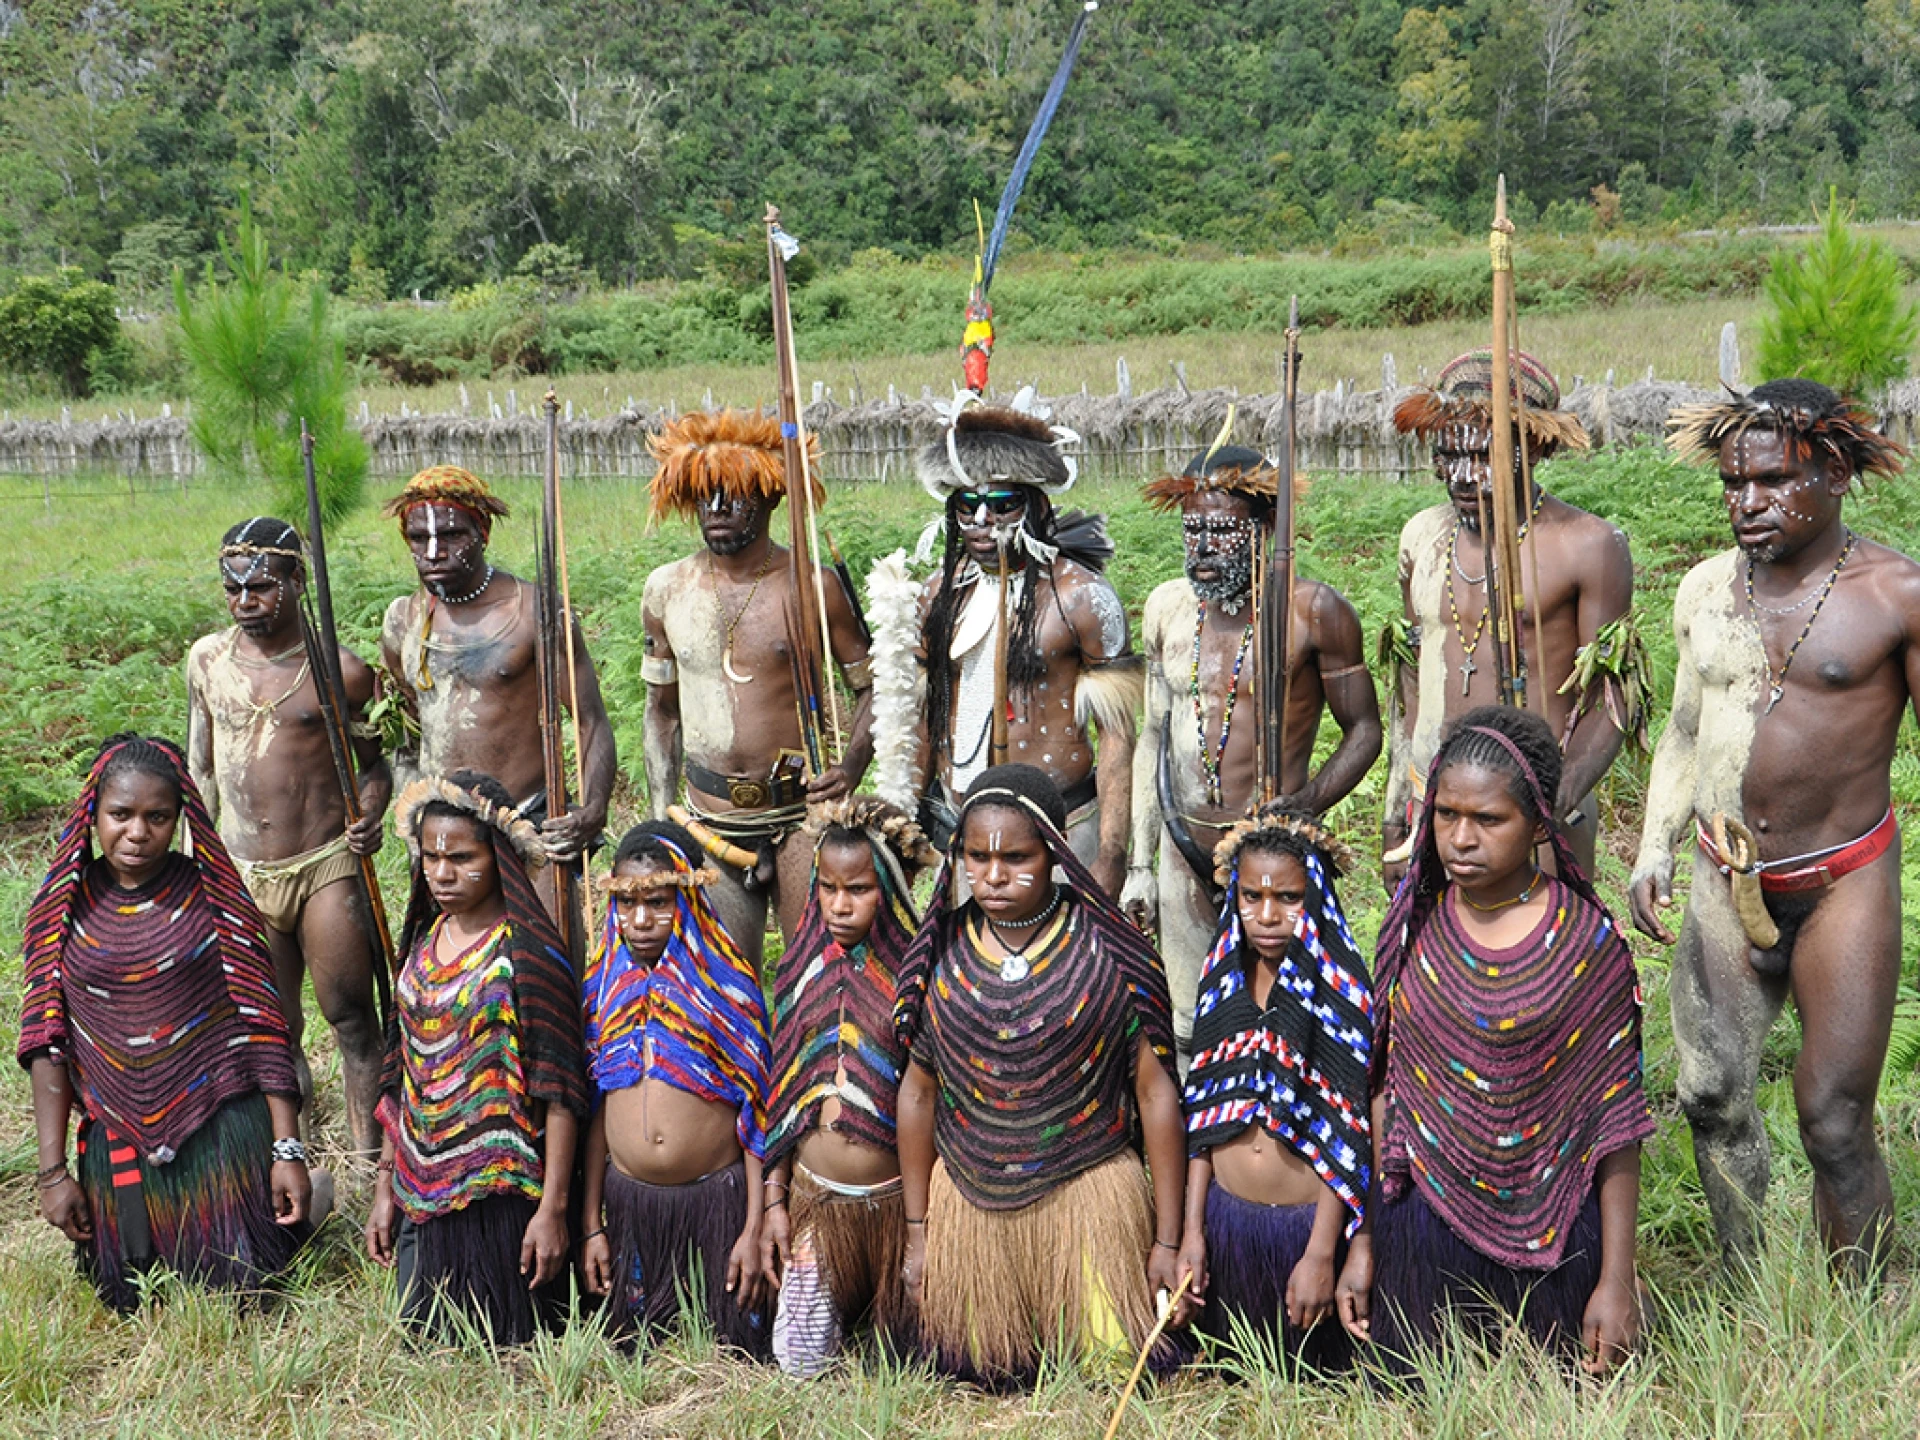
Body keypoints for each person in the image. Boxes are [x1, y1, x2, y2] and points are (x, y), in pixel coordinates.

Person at [1631, 380, 1916, 1278]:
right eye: (1733, 484)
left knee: (1832, 1117)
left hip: (1842, 884)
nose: (1747, 502)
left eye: (1773, 481)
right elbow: (1684, 731)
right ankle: (1742, 1276)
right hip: (1724, 875)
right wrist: (1653, 846)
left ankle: (1866, 1296)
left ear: (1834, 473)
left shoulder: (1896, 595)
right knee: (1711, 1094)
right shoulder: (1706, 590)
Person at [1337, 707, 1653, 1378]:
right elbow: (1387, 1093)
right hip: (1423, 1234)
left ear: (1539, 824)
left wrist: (1617, 1280)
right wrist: (1365, 1239)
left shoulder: (1584, 945)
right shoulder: (1413, 929)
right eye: (1446, 814)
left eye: (1488, 819)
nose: (1460, 839)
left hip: (1552, 1240)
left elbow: (1615, 1124)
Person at [895, 764, 1196, 1386]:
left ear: (1055, 852)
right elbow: (918, 1093)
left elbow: (1153, 1091)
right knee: (977, 1373)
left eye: (1016, 857)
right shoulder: (942, 953)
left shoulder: (1111, 950)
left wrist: (1166, 1242)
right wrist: (920, 1232)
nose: (993, 875)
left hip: (1088, 1186)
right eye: (976, 857)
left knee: (1115, 1369)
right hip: (969, 1195)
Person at [20, 734, 320, 1313]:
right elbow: (46, 1044)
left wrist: (288, 1151)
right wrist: (53, 1173)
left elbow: (265, 1029)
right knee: (130, 1300)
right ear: (92, 815)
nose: (137, 832)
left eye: (157, 817)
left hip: (220, 1126)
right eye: (121, 815)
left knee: (246, 1292)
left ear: (180, 818)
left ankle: (303, 1204)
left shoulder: (216, 900)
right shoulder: (59, 913)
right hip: (116, 1137)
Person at [1125, 447, 1381, 1056]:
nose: (1203, 548)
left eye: (1222, 531)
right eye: (1193, 530)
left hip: (1272, 853)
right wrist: (1140, 864)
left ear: (1265, 528)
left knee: (1287, 1018)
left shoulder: (1312, 611)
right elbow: (1153, 736)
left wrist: (1307, 803)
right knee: (1188, 1023)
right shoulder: (1168, 608)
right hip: (1182, 847)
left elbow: (1365, 730)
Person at [1382, 350, 1643, 886]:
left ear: (1536, 447)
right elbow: (1410, 681)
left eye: (1483, 456)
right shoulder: (1422, 536)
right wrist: (1398, 804)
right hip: (1434, 798)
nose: (1461, 476)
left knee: (1543, 938)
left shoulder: (1587, 545)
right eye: (1448, 455)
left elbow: (1613, 695)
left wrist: (1554, 799)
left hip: (1536, 802)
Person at [640, 411, 875, 968]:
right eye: (705, 495)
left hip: (798, 817)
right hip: (708, 821)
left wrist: (852, 766)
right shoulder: (667, 589)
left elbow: (875, 688)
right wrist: (660, 815)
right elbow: (662, 713)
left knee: (817, 972)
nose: (717, 509)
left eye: (735, 495)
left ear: (771, 497)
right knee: (722, 982)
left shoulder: (813, 587)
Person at [186, 516, 390, 1155]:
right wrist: (196, 861)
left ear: (298, 582)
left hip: (325, 863)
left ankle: (367, 1166)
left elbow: (377, 767)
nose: (244, 602)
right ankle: (290, 1158)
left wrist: (371, 813)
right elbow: (201, 768)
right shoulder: (208, 662)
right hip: (244, 869)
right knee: (273, 1026)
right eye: (233, 589)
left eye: (261, 587)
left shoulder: (340, 672)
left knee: (351, 1016)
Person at [365, 771, 587, 1346]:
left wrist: (553, 1211)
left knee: (506, 1346)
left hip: (505, 1204)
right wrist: (386, 1186)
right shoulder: (421, 945)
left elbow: (561, 1092)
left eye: (462, 858)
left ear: (501, 859)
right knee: (424, 1344)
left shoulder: (529, 955)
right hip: (421, 1193)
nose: (442, 873)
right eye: (432, 857)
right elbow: (402, 1077)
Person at [897, 399, 1141, 895]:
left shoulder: (1081, 596)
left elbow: (1117, 734)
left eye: (1003, 503)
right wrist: (904, 824)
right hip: (963, 827)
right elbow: (923, 719)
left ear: (1036, 506)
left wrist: (1112, 855)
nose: (981, 519)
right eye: (966, 504)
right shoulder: (937, 595)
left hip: (1064, 827)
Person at [1180, 805, 1371, 1374]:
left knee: (1314, 1383)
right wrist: (1193, 1232)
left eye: (1288, 898)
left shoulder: (1342, 996)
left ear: (1317, 900)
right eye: (1251, 897)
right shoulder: (1221, 987)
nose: (1267, 915)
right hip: (1229, 1227)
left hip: (1304, 1235)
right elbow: (1204, 1121)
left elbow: (1347, 1137)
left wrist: (1320, 1254)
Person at [578, 820, 774, 1357]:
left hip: (717, 1203)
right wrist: (592, 1224)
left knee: (733, 1349)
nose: (640, 920)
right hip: (631, 1206)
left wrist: (753, 1227)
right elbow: (596, 1112)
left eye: (658, 902)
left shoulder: (727, 988)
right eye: (626, 902)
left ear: (688, 899)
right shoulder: (601, 988)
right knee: (632, 1346)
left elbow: (756, 1116)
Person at [760, 797, 937, 1376]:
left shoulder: (919, 981)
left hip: (899, 1211)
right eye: (828, 888)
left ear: (892, 889)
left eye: (858, 889)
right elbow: (784, 1100)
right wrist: (776, 1200)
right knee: (799, 1361)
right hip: (818, 1206)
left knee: (921, 1362)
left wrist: (923, 1228)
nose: (839, 905)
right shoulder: (799, 975)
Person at [379, 466, 616, 863]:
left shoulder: (535, 612)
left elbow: (589, 720)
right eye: (419, 538)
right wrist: (411, 816)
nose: (434, 552)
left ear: (482, 533)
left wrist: (592, 811)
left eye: (452, 535)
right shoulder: (403, 620)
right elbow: (407, 732)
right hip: (440, 833)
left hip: (526, 822)